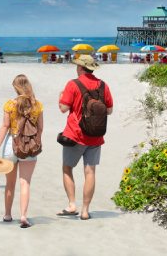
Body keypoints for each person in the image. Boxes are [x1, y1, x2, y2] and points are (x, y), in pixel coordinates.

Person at [57, 55, 113, 220]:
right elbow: (109, 110)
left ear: (80, 68)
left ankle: (72, 204)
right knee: (90, 172)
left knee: (67, 168)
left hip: (75, 134)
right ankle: (85, 210)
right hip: (96, 136)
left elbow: (63, 108)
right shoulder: (103, 85)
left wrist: (61, 97)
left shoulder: (73, 84)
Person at [0, 75, 43, 228]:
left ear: (15, 88)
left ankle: (7, 214)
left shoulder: (9, 105)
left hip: (10, 146)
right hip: (30, 146)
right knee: (25, 183)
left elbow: (5, 127)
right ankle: (24, 216)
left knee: (9, 183)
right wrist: (36, 143)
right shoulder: (37, 105)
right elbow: (40, 128)